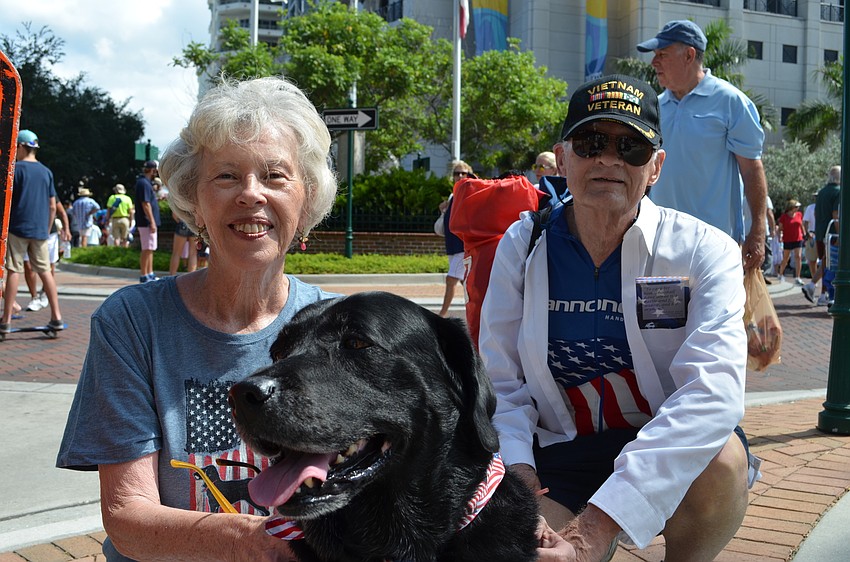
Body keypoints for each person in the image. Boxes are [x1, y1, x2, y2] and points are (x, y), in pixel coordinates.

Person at [56, 76, 339, 562]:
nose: (251, 194)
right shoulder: (133, 322)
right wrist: (262, 544)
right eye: (226, 176)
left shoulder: (340, 329)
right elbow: (128, 517)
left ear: (306, 198)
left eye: (275, 175)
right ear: (195, 201)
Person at [479, 75, 758, 561]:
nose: (609, 159)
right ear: (562, 158)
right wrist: (519, 481)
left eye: (631, 147)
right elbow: (501, 384)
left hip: (663, 444)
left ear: (655, 167)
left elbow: (712, 394)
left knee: (723, 460)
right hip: (560, 451)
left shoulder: (703, 250)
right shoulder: (521, 246)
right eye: (591, 142)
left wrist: (597, 526)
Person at [637, 20, 768, 272]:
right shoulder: (655, 108)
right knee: (661, 301)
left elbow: (752, 169)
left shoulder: (731, 102)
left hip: (715, 245)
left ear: (689, 55)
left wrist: (758, 231)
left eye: (662, 54)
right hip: (661, 242)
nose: (654, 62)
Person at [1, 130, 65, 334]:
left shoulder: (15, 170)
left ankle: (6, 320)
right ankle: (56, 316)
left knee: (14, 270)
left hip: (17, 227)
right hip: (39, 230)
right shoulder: (46, 172)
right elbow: (53, 206)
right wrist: (46, 229)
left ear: (20, 146)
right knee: (45, 271)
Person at [436, 159, 475, 317]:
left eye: (463, 173)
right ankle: (476, 310)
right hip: (452, 245)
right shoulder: (453, 195)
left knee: (451, 280)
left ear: (469, 174)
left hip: (461, 245)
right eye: (456, 173)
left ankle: (441, 315)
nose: (459, 176)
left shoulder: (469, 192)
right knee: (466, 283)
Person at [806, 165, 841, 306]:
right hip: (832, 233)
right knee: (830, 263)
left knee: (825, 262)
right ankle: (823, 292)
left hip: (820, 233)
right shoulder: (838, 191)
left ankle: (820, 292)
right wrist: (839, 235)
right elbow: (836, 214)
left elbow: (816, 214)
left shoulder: (821, 192)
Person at [134, 160, 162, 283]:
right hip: (146, 222)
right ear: (152, 170)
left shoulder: (144, 182)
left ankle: (149, 273)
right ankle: (144, 275)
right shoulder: (144, 183)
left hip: (147, 221)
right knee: (147, 248)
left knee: (150, 248)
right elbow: (145, 204)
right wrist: (152, 221)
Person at [776, 199, 805, 285]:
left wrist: (804, 234)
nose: (798, 208)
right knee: (786, 258)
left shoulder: (799, 214)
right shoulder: (784, 217)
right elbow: (780, 228)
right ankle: (780, 274)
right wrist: (779, 237)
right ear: (792, 207)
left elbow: (801, 225)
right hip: (787, 239)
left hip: (798, 238)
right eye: (796, 207)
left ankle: (798, 277)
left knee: (798, 256)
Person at [105, 184, 135, 248]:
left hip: (115, 219)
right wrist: (131, 220)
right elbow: (130, 211)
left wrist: (107, 219)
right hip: (125, 219)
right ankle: (124, 251)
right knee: (125, 238)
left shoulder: (112, 198)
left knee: (116, 238)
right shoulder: (127, 198)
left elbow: (109, 210)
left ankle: (117, 250)